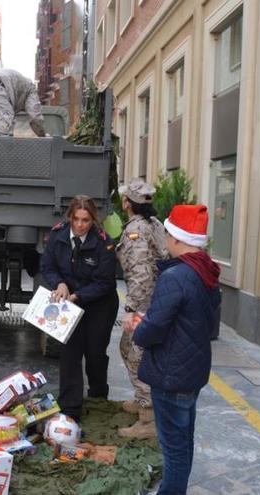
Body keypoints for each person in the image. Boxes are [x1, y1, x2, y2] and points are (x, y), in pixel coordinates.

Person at [123, 204, 220, 495]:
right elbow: (199, 322)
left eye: (167, 234)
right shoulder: (208, 272)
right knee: (184, 441)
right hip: (192, 370)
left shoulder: (175, 276)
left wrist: (136, 327)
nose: (164, 240)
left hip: (171, 373)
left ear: (177, 239)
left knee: (173, 448)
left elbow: (153, 330)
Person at [39, 195, 119, 422]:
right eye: (76, 219)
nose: (80, 225)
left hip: (99, 304)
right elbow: (48, 266)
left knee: (94, 353)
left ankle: (98, 396)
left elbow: (106, 283)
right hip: (69, 304)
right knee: (70, 353)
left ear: (93, 220)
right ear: (70, 217)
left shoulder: (104, 242)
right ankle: (70, 408)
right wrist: (60, 284)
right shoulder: (58, 235)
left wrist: (78, 295)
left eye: (86, 220)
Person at [116, 178, 167, 439]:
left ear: (127, 203)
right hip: (154, 302)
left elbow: (140, 273)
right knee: (129, 349)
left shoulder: (136, 230)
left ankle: (148, 419)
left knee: (135, 353)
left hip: (143, 305)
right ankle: (142, 400)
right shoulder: (154, 224)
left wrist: (131, 309)